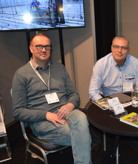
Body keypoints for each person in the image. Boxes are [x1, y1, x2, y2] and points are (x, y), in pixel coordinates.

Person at [12, 33, 91, 164]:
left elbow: (74, 94)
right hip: (43, 120)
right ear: (31, 49)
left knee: (82, 118)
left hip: (67, 111)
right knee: (83, 135)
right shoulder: (21, 75)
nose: (44, 50)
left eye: (47, 47)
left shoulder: (59, 68)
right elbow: (18, 111)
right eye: (39, 46)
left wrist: (70, 105)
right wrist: (46, 115)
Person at [89, 36, 138, 101]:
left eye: (124, 48)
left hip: (129, 100)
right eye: (116, 47)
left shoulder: (136, 64)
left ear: (128, 50)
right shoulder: (101, 65)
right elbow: (93, 92)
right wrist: (105, 104)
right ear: (111, 48)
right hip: (108, 100)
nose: (120, 51)